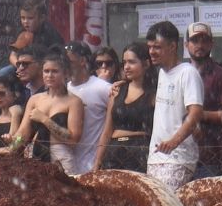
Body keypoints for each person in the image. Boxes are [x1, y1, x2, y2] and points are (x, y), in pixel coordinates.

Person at [146, 21, 204, 191]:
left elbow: (195, 113)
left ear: (172, 46)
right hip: (156, 157)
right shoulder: (162, 72)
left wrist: (174, 141)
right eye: (149, 47)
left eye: (157, 47)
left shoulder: (188, 73)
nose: (152, 52)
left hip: (179, 157)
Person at [183, 24, 222, 180]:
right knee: (178, 202)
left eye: (204, 41)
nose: (200, 45)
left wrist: (201, 115)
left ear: (211, 44)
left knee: (204, 202)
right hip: (180, 153)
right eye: (195, 41)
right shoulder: (179, 73)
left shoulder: (221, 75)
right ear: (186, 44)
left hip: (209, 154)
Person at [12, 55, 85, 166]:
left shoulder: (74, 102)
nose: (50, 75)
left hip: (61, 156)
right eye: (46, 71)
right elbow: (23, 134)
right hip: (36, 153)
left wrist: (45, 119)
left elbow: (73, 139)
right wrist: (11, 146)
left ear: (65, 74)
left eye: (55, 71)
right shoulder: (35, 99)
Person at [94, 44, 154, 174]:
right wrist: (98, 160)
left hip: (140, 150)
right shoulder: (117, 90)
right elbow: (107, 130)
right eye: (124, 62)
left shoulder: (154, 93)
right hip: (114, 150)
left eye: (132, 62)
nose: (126, 67)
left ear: (146, 64)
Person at [63, 41, 114, 175]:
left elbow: (114, 122)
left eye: (69, 61)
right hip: (67, 166)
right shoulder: (63, 89)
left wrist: (100, 159)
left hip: (93, 166)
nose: (65, 65)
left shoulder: (102, 88)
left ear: (82, 61)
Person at [0, 75, 23, 150]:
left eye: (2, 93)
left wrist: (15, 116)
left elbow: (21, 140)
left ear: (15, 95)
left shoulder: (22, 117)